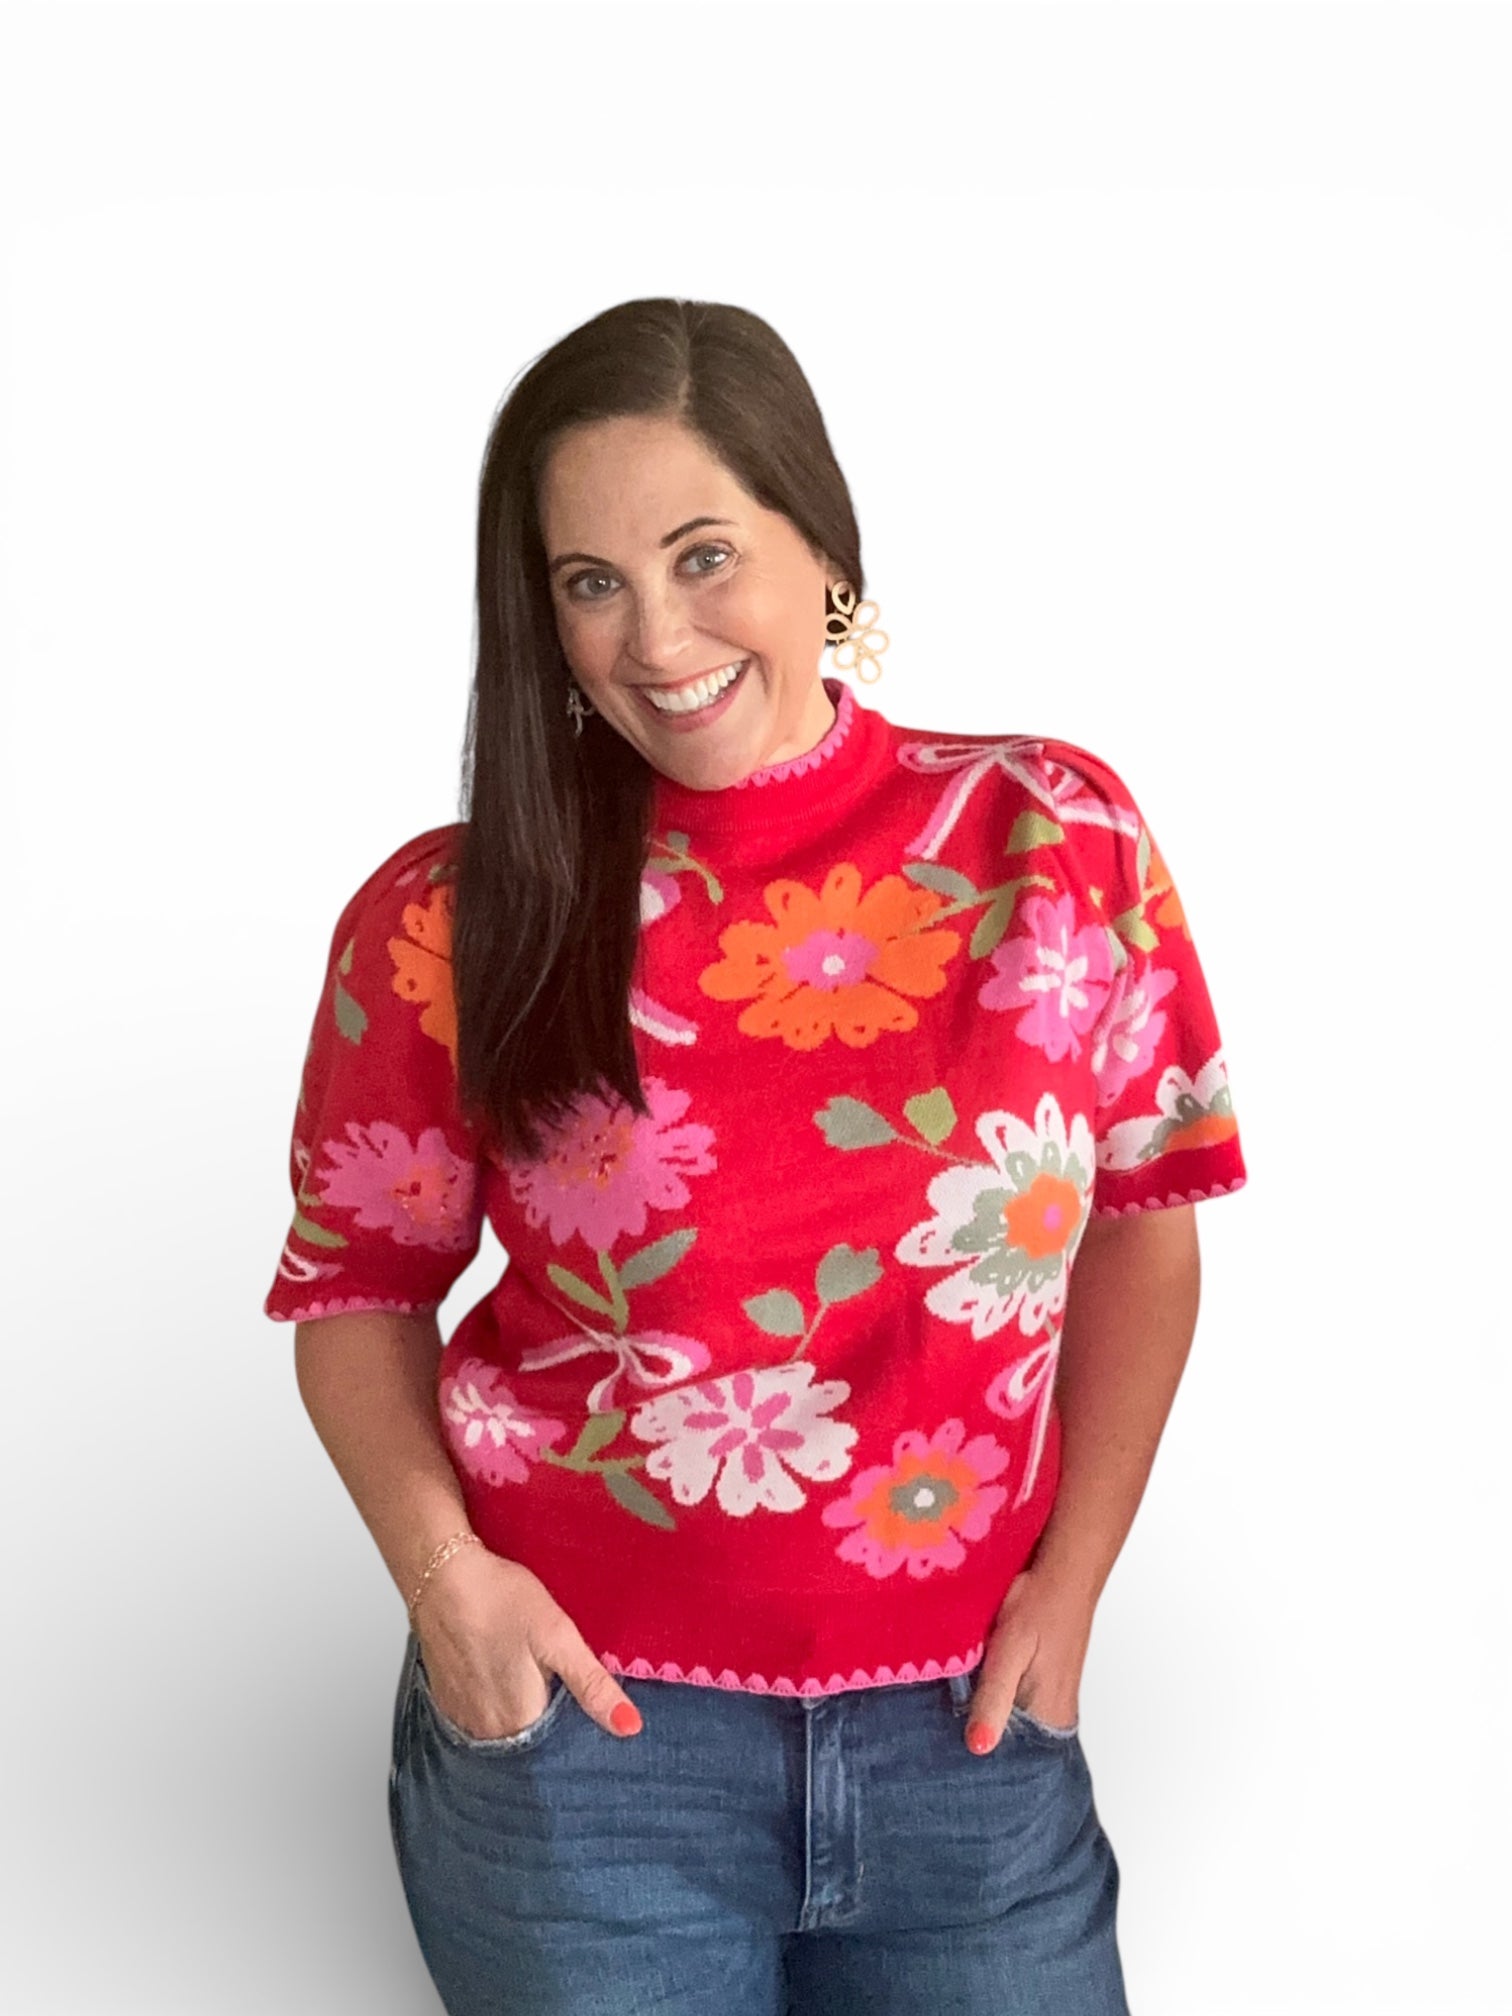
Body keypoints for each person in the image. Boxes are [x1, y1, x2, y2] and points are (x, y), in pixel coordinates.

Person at [264, 297, 1246, 2016]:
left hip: (974, 1732)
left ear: (823, 549)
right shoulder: (450, 915)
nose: (657, 637)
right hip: (585, 1752)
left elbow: (1146, 1222)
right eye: (591, 582)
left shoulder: (1049, 836)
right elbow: (356, 1293)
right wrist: (450, 1590)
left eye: (704, 555)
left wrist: (1075, 1582)